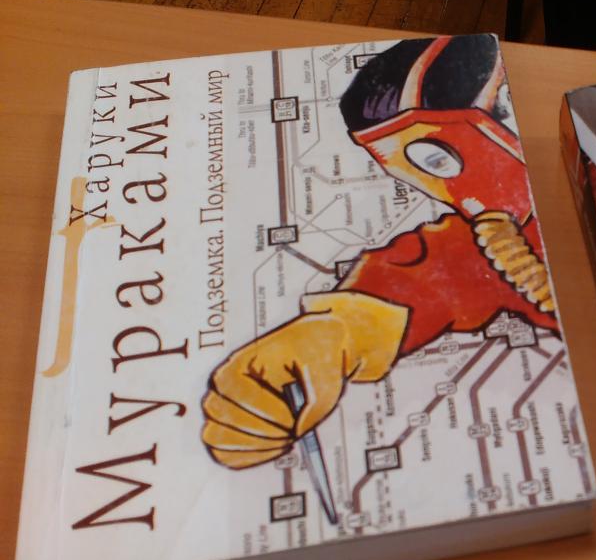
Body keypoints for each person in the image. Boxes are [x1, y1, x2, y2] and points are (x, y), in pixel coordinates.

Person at [200, 35, 557, 469]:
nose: (445, 192)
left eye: (437, 161)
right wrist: (335, 333)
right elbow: (437, 271)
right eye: (412, 174)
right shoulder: (505, 240)